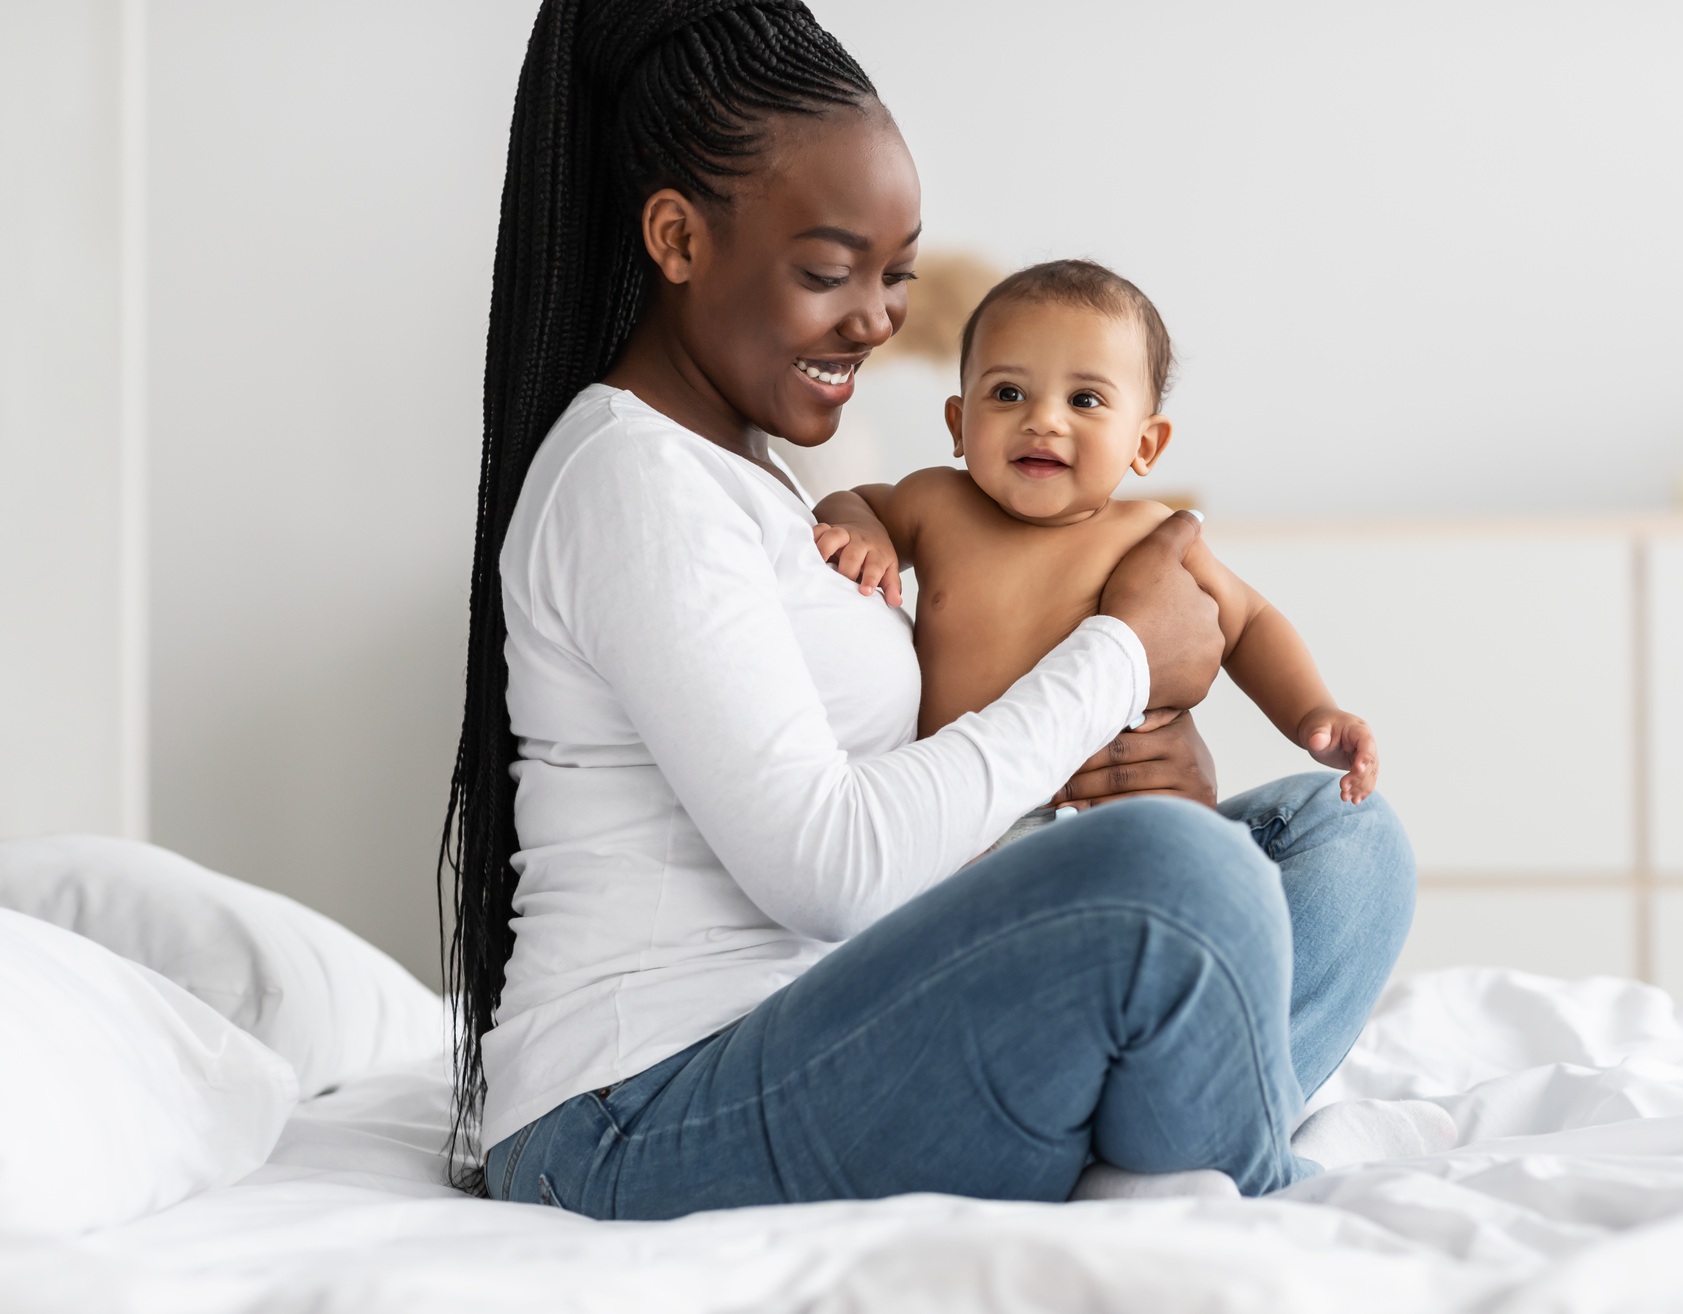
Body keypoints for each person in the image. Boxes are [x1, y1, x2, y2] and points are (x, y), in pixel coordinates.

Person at [441, 0, 1416, 1222]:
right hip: (637, 1113)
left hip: (837, 1021)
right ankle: (1198, 1163)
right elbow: (831, 868)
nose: (877, 318)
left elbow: (921, 796)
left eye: (895, 274)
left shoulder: (757, 475)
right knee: (1177, 879)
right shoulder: (631, 480)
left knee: (1339, 839)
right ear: (676, 238)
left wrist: (1127, 760)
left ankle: (1138, 1127)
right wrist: (1116, 663)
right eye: (826, 270)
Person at [810, 259, 1381, 858]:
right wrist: (859, 531)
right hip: (954, 820)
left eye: (1084, 399)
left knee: (1333, 832)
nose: (1043, 420)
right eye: (1008, 393)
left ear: (1145, 443)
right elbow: (846, 498)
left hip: (1095, 821)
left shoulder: (1149, 537)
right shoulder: (935, 504)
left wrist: (1313, 713)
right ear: (959, 423)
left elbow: (1250, 621)